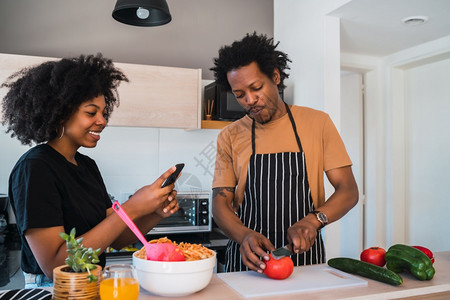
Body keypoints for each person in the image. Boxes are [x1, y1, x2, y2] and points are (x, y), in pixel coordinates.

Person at [1, 54, 181, 288]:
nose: (102, 121)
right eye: (91, 112)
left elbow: (116, 239)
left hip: (93, 281)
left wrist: (154, 211)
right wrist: (132, 206)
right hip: (54, 288)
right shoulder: (35, 169)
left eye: (104, 113)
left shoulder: (87, 166)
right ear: (61, 112)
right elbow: (56, 266)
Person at [210, 32, 359, 273]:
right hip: (248, 261)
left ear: (275, 77)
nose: (250, 100)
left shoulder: (317, 123)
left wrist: (314, 220)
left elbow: (348, 190)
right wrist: (244, 235)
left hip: (305, 262)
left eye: (256, 87)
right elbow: (220, 203)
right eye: (239, 95)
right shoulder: (230, 135)